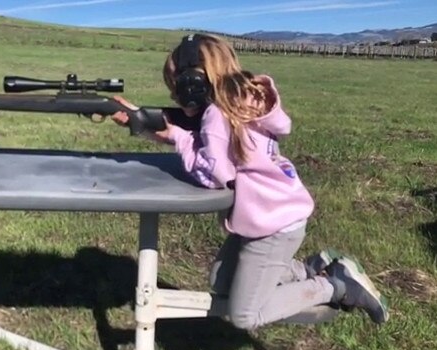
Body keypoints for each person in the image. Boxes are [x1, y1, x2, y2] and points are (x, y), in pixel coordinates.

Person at [108, 33, 389, 330]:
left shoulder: (216, 115)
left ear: (195, 81)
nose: (176, 97)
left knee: (244, 315)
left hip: (272, 226)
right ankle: (312, 268)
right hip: (269, 214)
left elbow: (214, 176)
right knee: (220, 280)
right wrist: (153, 129)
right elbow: (216, 151)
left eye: (177, 88)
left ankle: (336, 286)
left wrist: (177, 137)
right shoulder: (241, 103)